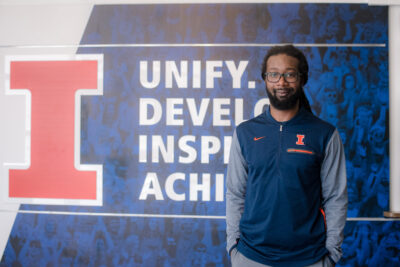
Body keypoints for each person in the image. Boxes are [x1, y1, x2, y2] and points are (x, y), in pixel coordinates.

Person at [226, 45, 348, 267]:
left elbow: (335, 197)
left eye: (289, 74)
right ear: (265, 79)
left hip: (309, 258)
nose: (281, 82)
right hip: (251, 257)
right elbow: (235, 194)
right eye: (273, 74)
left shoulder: (325, 134)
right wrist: (234, 247)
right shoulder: (245, 133)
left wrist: (331, 254)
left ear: (302, 79)